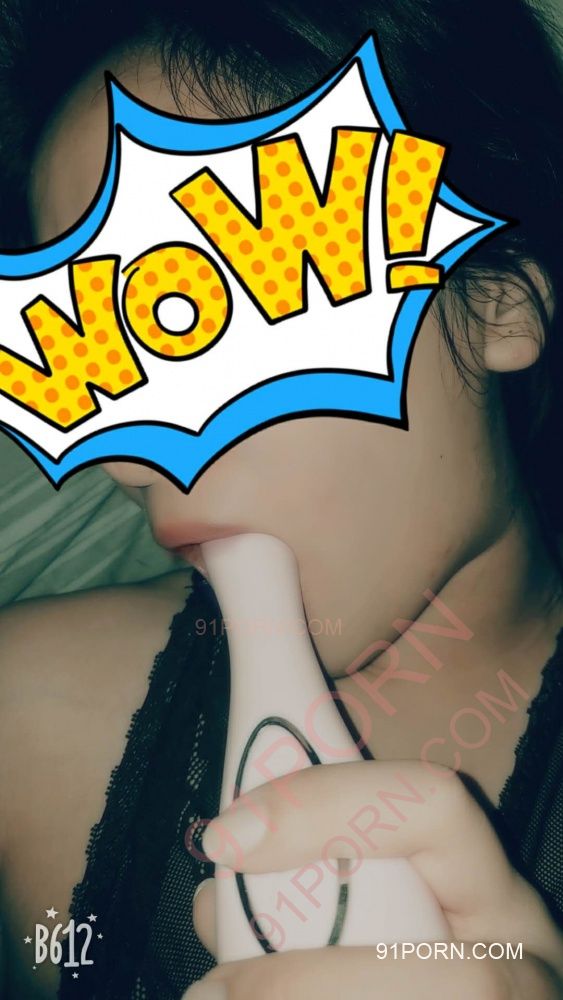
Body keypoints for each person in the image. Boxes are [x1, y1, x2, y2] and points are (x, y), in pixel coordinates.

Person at [0, 0, 562, 997]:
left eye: (223, 304)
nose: (136, 456)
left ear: (497, 303)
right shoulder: (24, 717)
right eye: (97, 350)